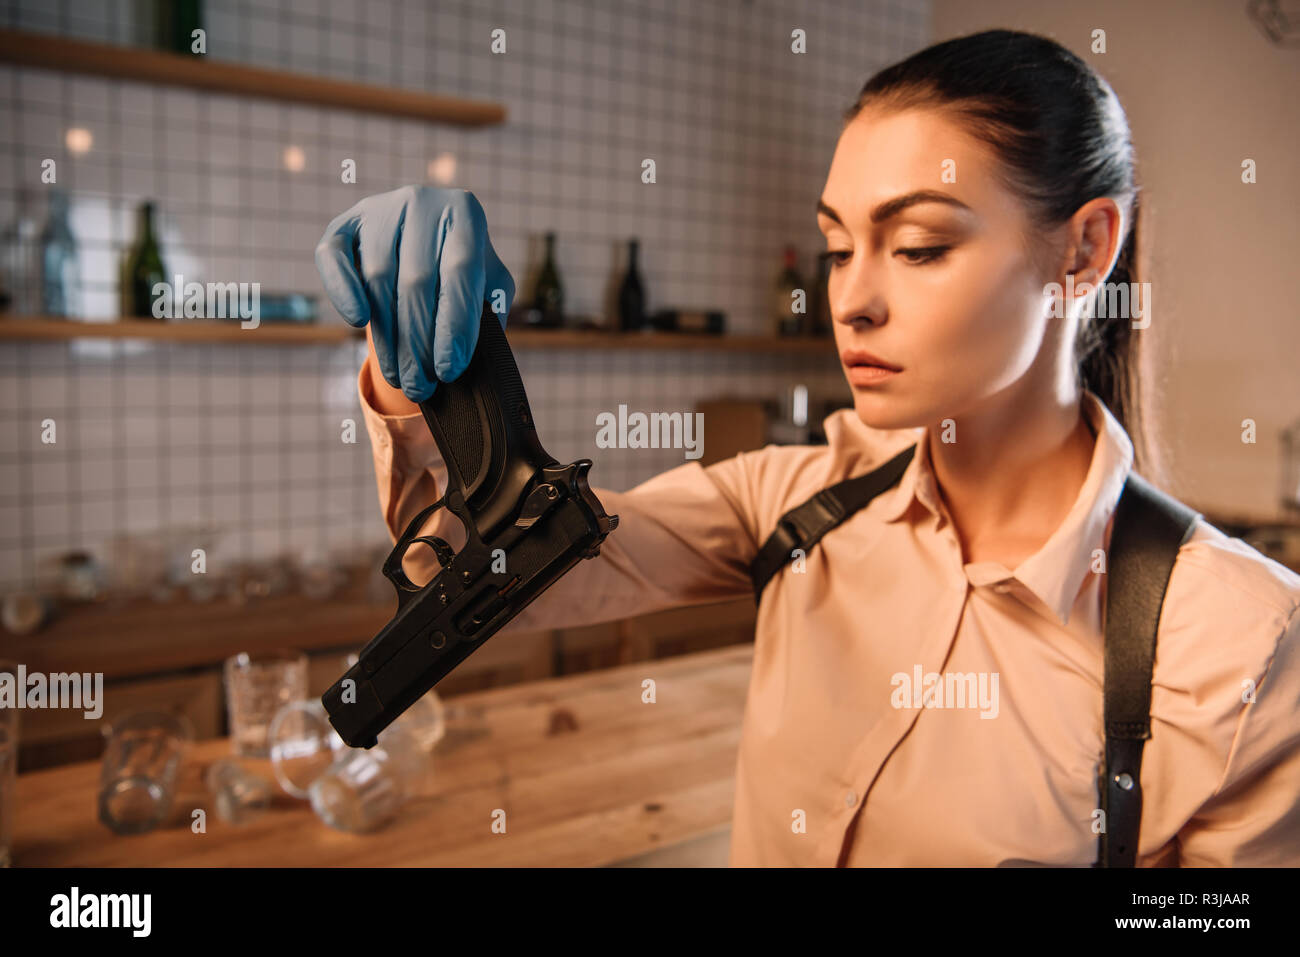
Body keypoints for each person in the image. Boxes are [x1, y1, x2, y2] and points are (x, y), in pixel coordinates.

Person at [316, 29, 1300, 866]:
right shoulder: (794, 499)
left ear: (1084, 250)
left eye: (916, 245)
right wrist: (425, 371)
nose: (852, 299)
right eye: (838, 247)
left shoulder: (1240, 649)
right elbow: (513, 567)